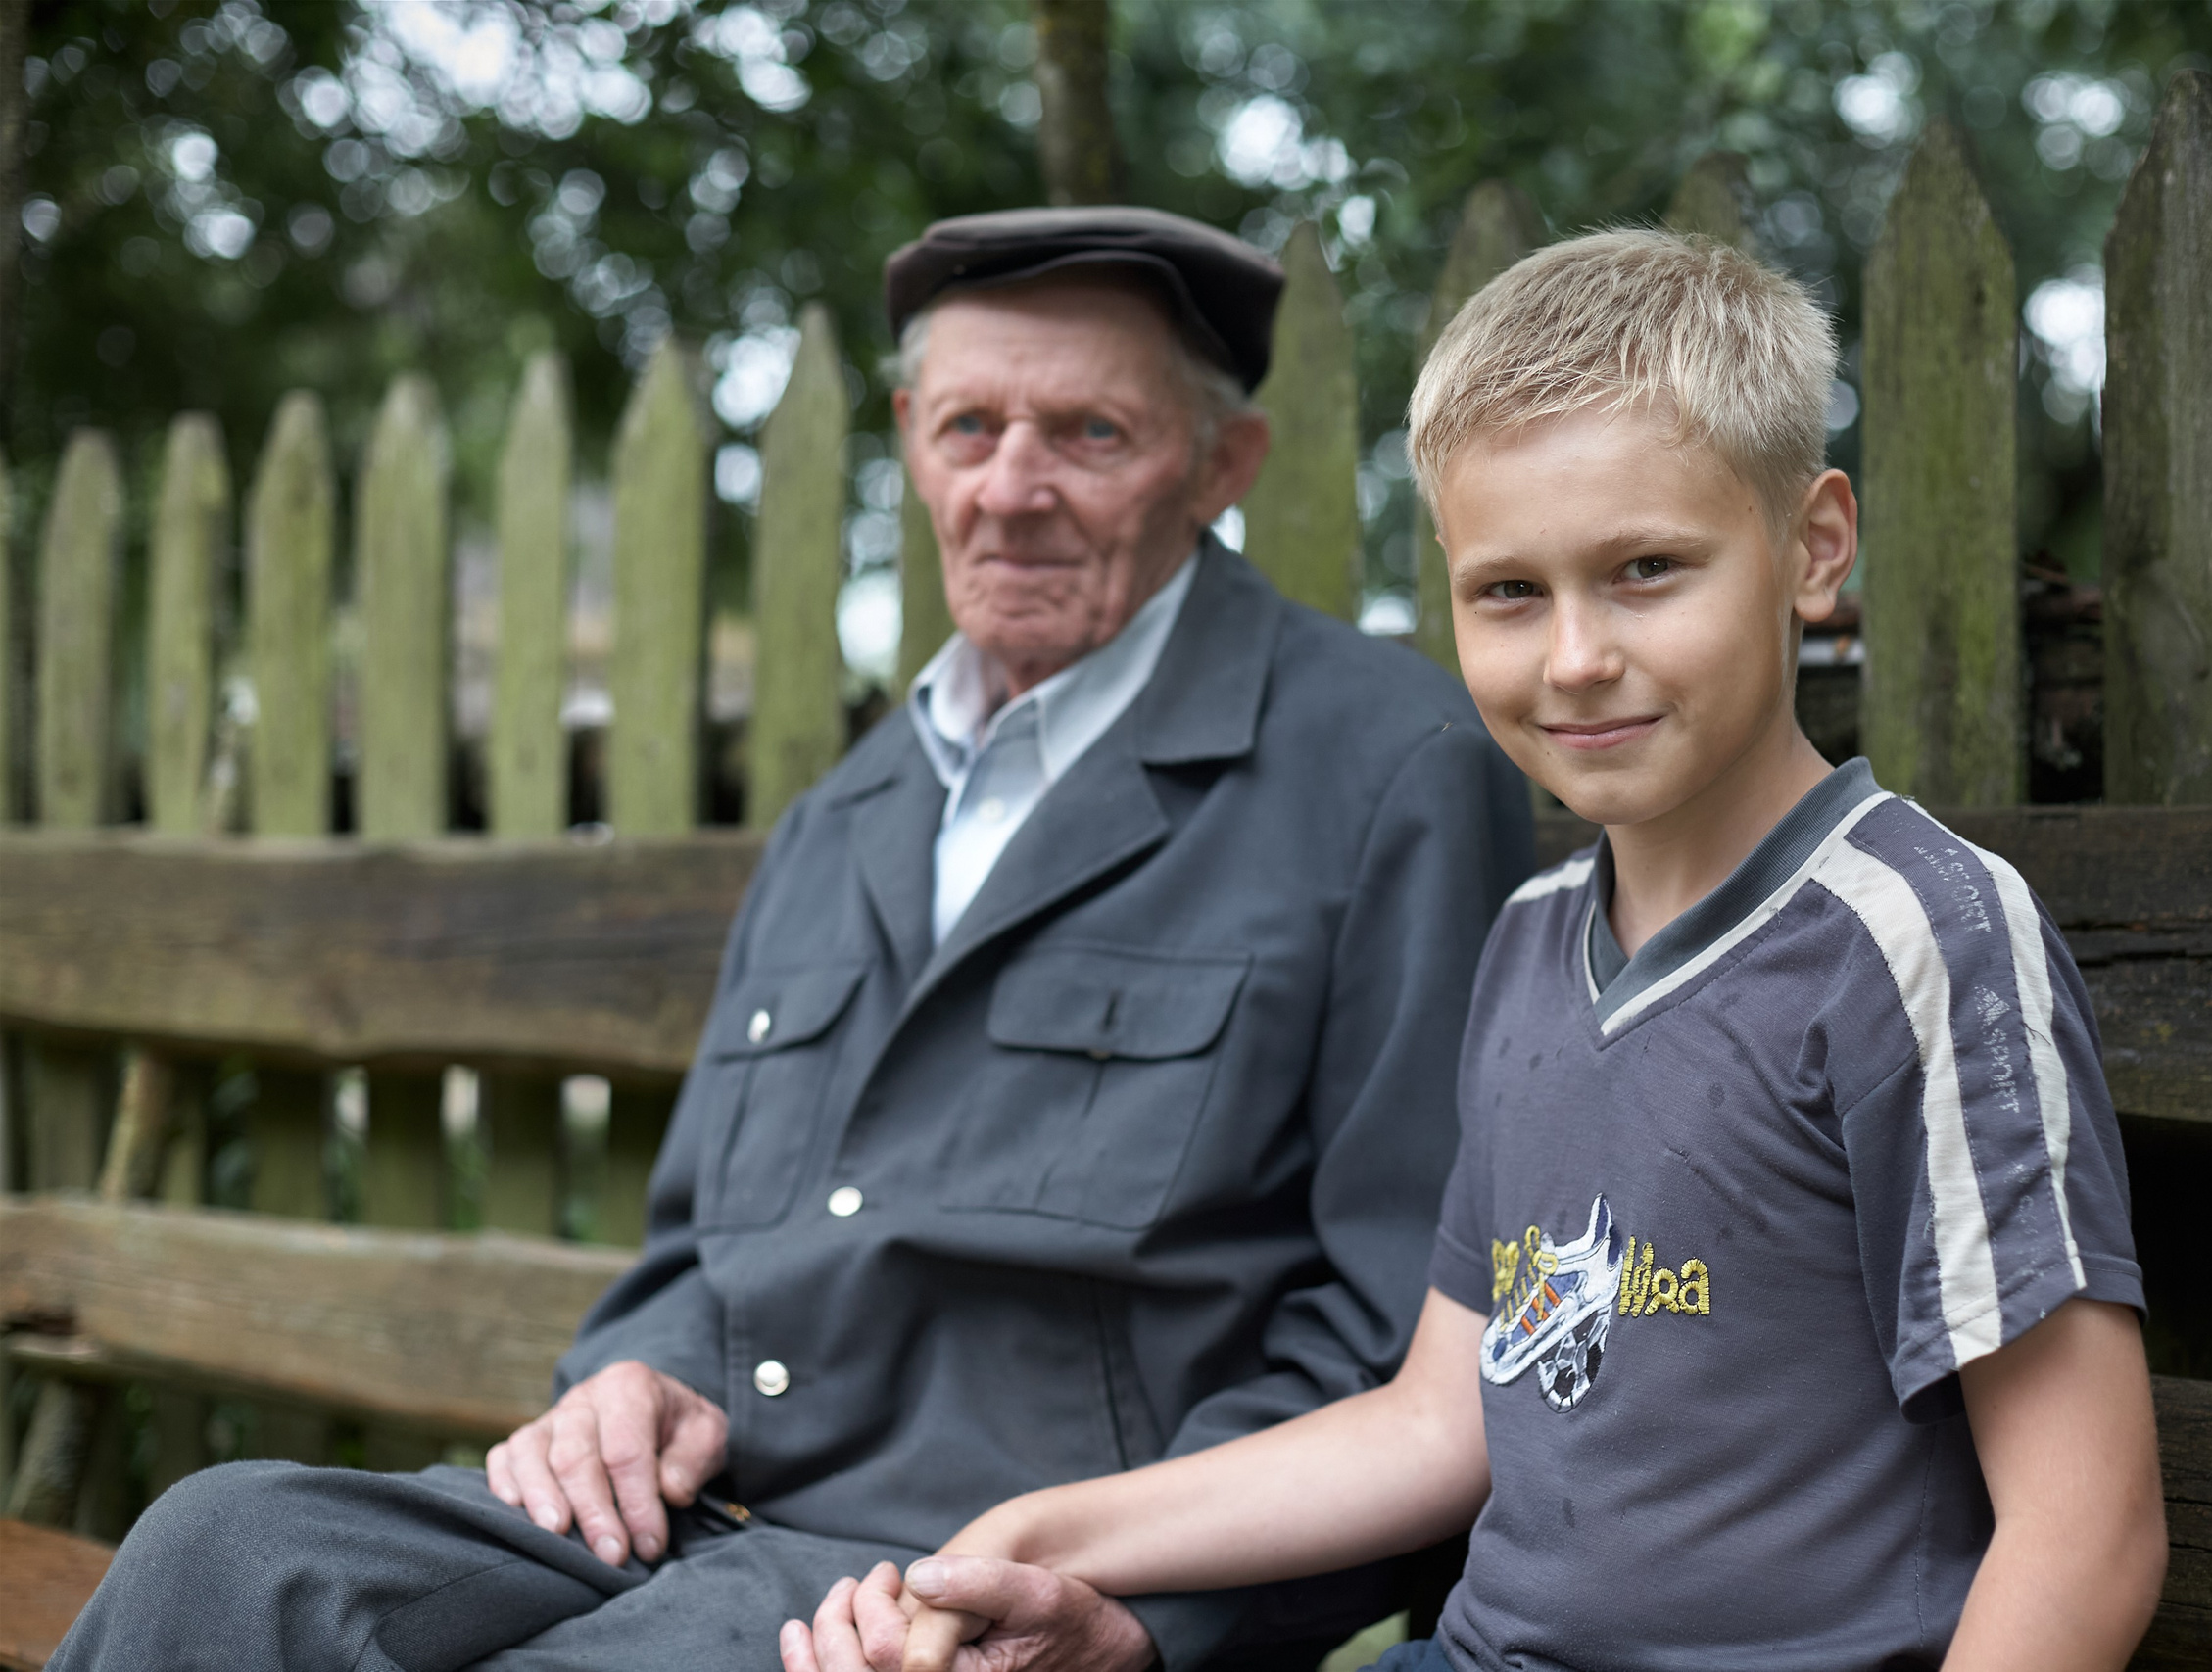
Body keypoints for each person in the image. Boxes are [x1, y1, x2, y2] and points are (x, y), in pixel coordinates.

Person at [51, 206, 1534, 1672]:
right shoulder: (850, 810)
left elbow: (1395, 1343)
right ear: (908, 439)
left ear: (1224, 466)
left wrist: (1141, 1615)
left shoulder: (1388, 771)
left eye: (1088, 435)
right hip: (689, 1519)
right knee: (224, 1548)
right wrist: (640, 1381)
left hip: (974, 1571)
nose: (1010, 489)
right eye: (967, 429)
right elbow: (704, 1239)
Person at [788, 229, 2168, 1672]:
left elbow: (2088, 1535)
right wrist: (1026, 1542)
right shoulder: (1526, 943)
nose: (1573, 656)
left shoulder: (1913, 935)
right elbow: (1441, 1422)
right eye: (1509, 593)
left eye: (1645, 571)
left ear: (1814, 546)